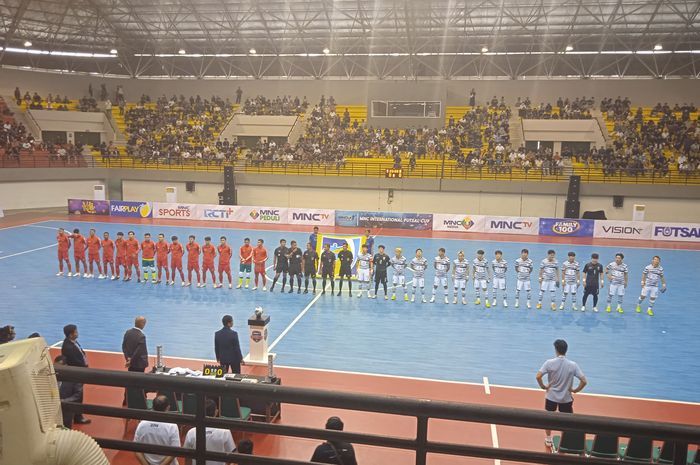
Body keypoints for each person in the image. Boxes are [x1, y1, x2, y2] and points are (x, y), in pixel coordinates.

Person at [536, 339, 587, 447]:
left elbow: (538, 376)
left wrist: (543, 386)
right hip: (566, 398)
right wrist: (575, 390)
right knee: (567, 420)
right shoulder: (573, 365)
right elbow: (584, 381)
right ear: (566, 350)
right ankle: (565, 440)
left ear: (556, 350)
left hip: (551, 397)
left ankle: (549, 439)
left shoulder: (549, 363)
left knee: (548, 418)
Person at [183, 399, 236, 465]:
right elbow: (231, 456)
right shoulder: (225, 431)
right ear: (216, 412)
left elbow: (187, 458)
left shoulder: (191, 433)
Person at [133, 395, 180, 465]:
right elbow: (174, 452)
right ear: (168, 407)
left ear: (153, 407)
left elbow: (136, 449)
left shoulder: (142, 424)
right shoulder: (172, 426)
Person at [60, 324, 90, 424]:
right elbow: (75, 362)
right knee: (77, 395)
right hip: (76, 374)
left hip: (79, 372)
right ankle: (77, 417)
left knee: (78, 395)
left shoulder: (72, 342)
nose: (78, 333)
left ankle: (77, 415)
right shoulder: (68, 347)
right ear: (71, 334)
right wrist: (84, 369)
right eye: (76, 331)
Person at [53, 355, 84, 428]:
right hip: (53, 409)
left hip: (66, 409)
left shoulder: (74, 378)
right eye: (55, 366)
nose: (56, 368)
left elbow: (77, 395)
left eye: (59, 366)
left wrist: (64, 401)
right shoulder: (52, 376)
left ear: (65, 366)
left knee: (65, 428)